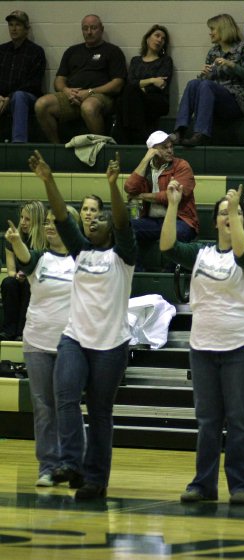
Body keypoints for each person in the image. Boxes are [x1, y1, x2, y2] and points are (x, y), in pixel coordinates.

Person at [29, 150, 135, 501]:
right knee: (65, 396)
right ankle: (70, 462)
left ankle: (95, 479)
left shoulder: (123, 257)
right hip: (74, 338)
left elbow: (122, 222)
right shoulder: (80, 251)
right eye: (90, 221)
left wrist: (114, 186)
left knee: (100, 413)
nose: (93, 223)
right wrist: (49, 180)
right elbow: (61, 217)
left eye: (99, 220)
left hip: (110, 346)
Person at [162, 181, 244, 505]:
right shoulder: (201, 254)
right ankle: (203, 484)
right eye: (222, 213)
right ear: (215, 221)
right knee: (207, 421)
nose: (227, 217)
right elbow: (167, 246)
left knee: (239, 419)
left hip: (242, 348)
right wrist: (173, 205)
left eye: (232, 213)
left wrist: (235, 209)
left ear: (240, 220)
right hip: (203, 347)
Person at [6, 204, 78, 487]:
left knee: (67, 406)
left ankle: (71, 463)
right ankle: (47, 466)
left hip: (71, 344)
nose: (48, 226)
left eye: (54, 222)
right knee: (43, 407)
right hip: (37, 342)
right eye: (46, 222)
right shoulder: (40, 259)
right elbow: (25, 258)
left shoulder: (82, 260)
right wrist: (16, 243)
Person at [34, 14, 126, 144]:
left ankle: (102, 148)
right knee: (41, 104)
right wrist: (66, 91)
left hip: (100, 96)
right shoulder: (72, 51)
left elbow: (117, 84)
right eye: (85, 28)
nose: (89, 32)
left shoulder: (113, 51)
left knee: (88, 107)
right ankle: (57, 148)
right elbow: (59, 80)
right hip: (72, 96)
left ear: (101, 29)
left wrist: (89, 92)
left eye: (93, 28)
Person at [174, 14, 244, 147]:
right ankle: (179, 131)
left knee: (206, 85)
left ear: (224, 29)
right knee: (193, 83)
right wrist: (205, 74)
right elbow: (205, 82)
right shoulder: (213, 52)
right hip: (214, 100)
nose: (210, 33)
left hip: (237, 101)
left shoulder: (243, 48)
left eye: (213, 29)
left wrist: (232, 65)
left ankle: (201, 134)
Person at [124, 131, 199, 269]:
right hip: (153, 221)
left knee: (178, 232)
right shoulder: (147, 169)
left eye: (171, 146)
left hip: (180, 220)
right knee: (125, 228)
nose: (170, 150)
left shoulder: (182, 166)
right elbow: (130, 188)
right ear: (153, 150)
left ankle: (168, 277)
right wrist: (145, 160)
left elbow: (170, 195)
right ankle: (138, 272)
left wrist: (142, 196)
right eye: (165, 147)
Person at [116, 25, 173, 144]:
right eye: (157, 36)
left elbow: (161, 85)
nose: (159, 40)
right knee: (127, 93)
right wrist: (152, 80)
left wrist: (140, 86)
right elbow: (130, 81)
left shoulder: (165, 61)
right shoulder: (135, 60)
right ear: (147, 39)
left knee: (130, 93)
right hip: (136, 98)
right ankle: (136, 135)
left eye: (163, 39)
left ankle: (125, 136)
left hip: (158, 101)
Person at [0, 10, 46, 143]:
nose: (13, 29)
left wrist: (10, 96)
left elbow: (33, 83)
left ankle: (18, 144)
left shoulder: (36, 51)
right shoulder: (2, 50)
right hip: (2, 97)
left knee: (19, 96)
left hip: (27, 97)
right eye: (11, 25)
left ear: (26, 29)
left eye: (18, 25)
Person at [2, 200, 45, 340]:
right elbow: (10, 270)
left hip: (38, 279)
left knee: (29, 285)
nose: (23, 222)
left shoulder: (45, 238)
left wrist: (27, 275)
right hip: (19, 279)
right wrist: (16, 276)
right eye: (21, 217)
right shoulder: (12, 238)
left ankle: (22, 331)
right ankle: (9, 330)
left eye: (27, 219)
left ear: (37, 220)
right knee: (8, 283)